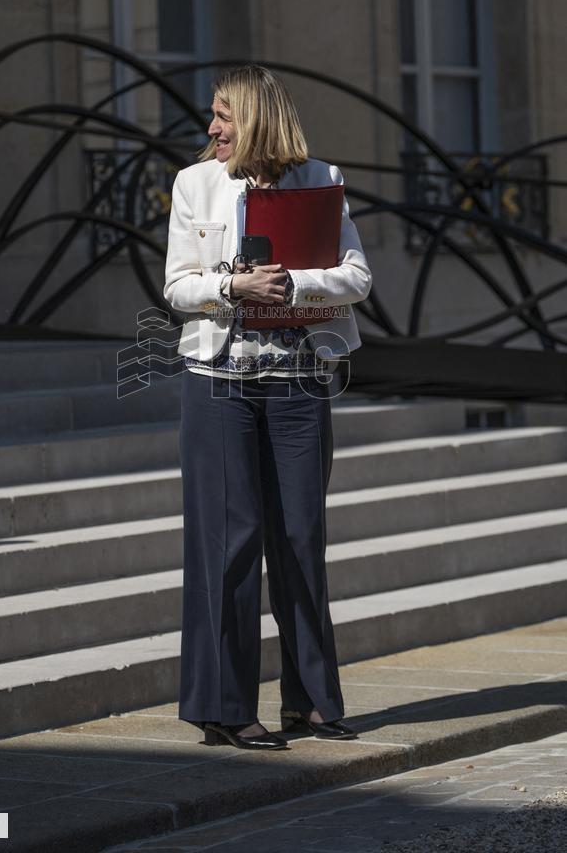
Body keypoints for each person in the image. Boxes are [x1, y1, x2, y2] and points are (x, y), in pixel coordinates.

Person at [163, 65, 372, 750]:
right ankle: (223, 708)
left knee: (300, 537)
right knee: (230, 542)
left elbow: (356, 276)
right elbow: (177, 287)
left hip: (301, 378)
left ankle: (311, 702)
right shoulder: (196, 184)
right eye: (212, 116)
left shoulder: (320, 178)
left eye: (223, 115)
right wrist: (233, 283)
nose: (212, 128)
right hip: (216, 377)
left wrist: (290, 285)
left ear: (256, 117)